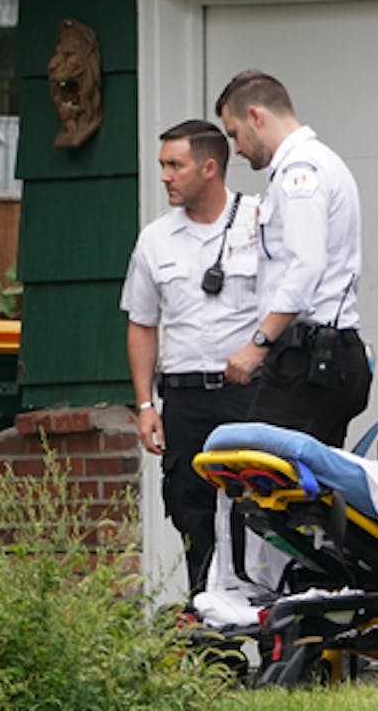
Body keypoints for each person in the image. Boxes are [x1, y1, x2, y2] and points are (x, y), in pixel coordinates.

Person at [122, 119, 261, 597]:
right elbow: (142, 322)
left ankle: (269, 632)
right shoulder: (155, 239)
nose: (165, 176)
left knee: (257, 508)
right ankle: (210, 629)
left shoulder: (259, 222)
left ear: (209, 167)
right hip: (183, 397)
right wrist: (145, 407)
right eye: (162, 165)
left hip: (246, 395)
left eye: (174, 165)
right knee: (190, 506)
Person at [214, 69, 372, 447]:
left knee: (260, 482)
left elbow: (306, 266)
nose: (236, 149)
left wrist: (257, 344)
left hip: (310, 359)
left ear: (256, 117)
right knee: (305, 495)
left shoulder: (301, 172)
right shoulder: (313, 164)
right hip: (322, 356)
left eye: (234, 134)